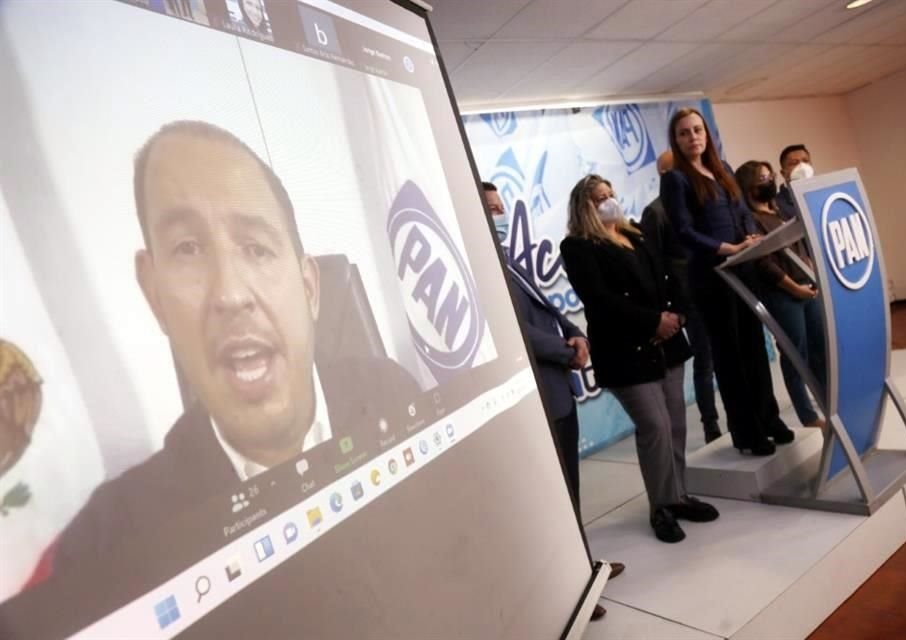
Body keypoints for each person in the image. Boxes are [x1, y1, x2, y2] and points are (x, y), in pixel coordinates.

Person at [45, 121, 420, 582]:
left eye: (257, 249)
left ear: (309, 288)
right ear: (155, 295)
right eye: (188, 248)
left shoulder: (397, 398)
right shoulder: (107, 545)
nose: (229, 294)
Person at [482, 182, 623, 620]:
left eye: (502, 206)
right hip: (539, 397)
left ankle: (583, 568)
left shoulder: (507, 260)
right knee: (554, 501)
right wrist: (567, 351)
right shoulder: (482, 269)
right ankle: (570, 589)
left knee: (571, 494)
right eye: (491, 209)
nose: (500, 215)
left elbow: (548, 311)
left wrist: (575, 332)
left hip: (558, 392)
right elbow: (517, 330)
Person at [560, 174, 719, 544]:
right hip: (626, 351)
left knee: (676, 425)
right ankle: (661, 507)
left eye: (611, 193)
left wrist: (676, 314)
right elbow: (599, 299)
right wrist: (652, 322)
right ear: (584, 205)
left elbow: (670, 276)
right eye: (600, 197)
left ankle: (678, 495)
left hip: (667, 344)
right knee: (655, 426)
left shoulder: (636, 235)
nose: (609, 200)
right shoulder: (577, 247)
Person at [660, 107, 793, 456]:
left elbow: (743, 213)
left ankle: (769, 418)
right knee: (730, 355)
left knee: (754, 348)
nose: (693, 137)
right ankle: (746, 431)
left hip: (743, 268)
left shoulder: (724, 171)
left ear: (707, 135)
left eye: (697, 130)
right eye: (684, 132)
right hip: (712, 277)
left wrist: (749, 238)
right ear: (676, 140)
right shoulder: (676, 179)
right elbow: (684, 231)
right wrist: (727, 247)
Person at [735, 161, 827, 429]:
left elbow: (801, 248)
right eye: (763, 178)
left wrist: (810, 273)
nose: (770, 181)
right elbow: (764, 263)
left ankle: (830, 401)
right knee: (795, 355)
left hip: (808, 287)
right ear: (749, 186)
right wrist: (792, 287)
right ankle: (808, 417)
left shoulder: (780, 213)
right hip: (783, 295)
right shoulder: (750, 220)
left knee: (819, 349)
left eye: (770, 176)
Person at [642, 151, 722, 444]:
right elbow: (655, 262)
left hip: (717, 287)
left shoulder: (701, 202)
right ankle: (711, 424)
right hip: (689, 297)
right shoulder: (656, 212)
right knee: (705, 361)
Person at [775, 144, 815, 220]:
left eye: (805, 161)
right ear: (783, 173)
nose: (802, 166)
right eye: (794, 163)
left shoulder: (823, 194)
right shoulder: (776, 204)